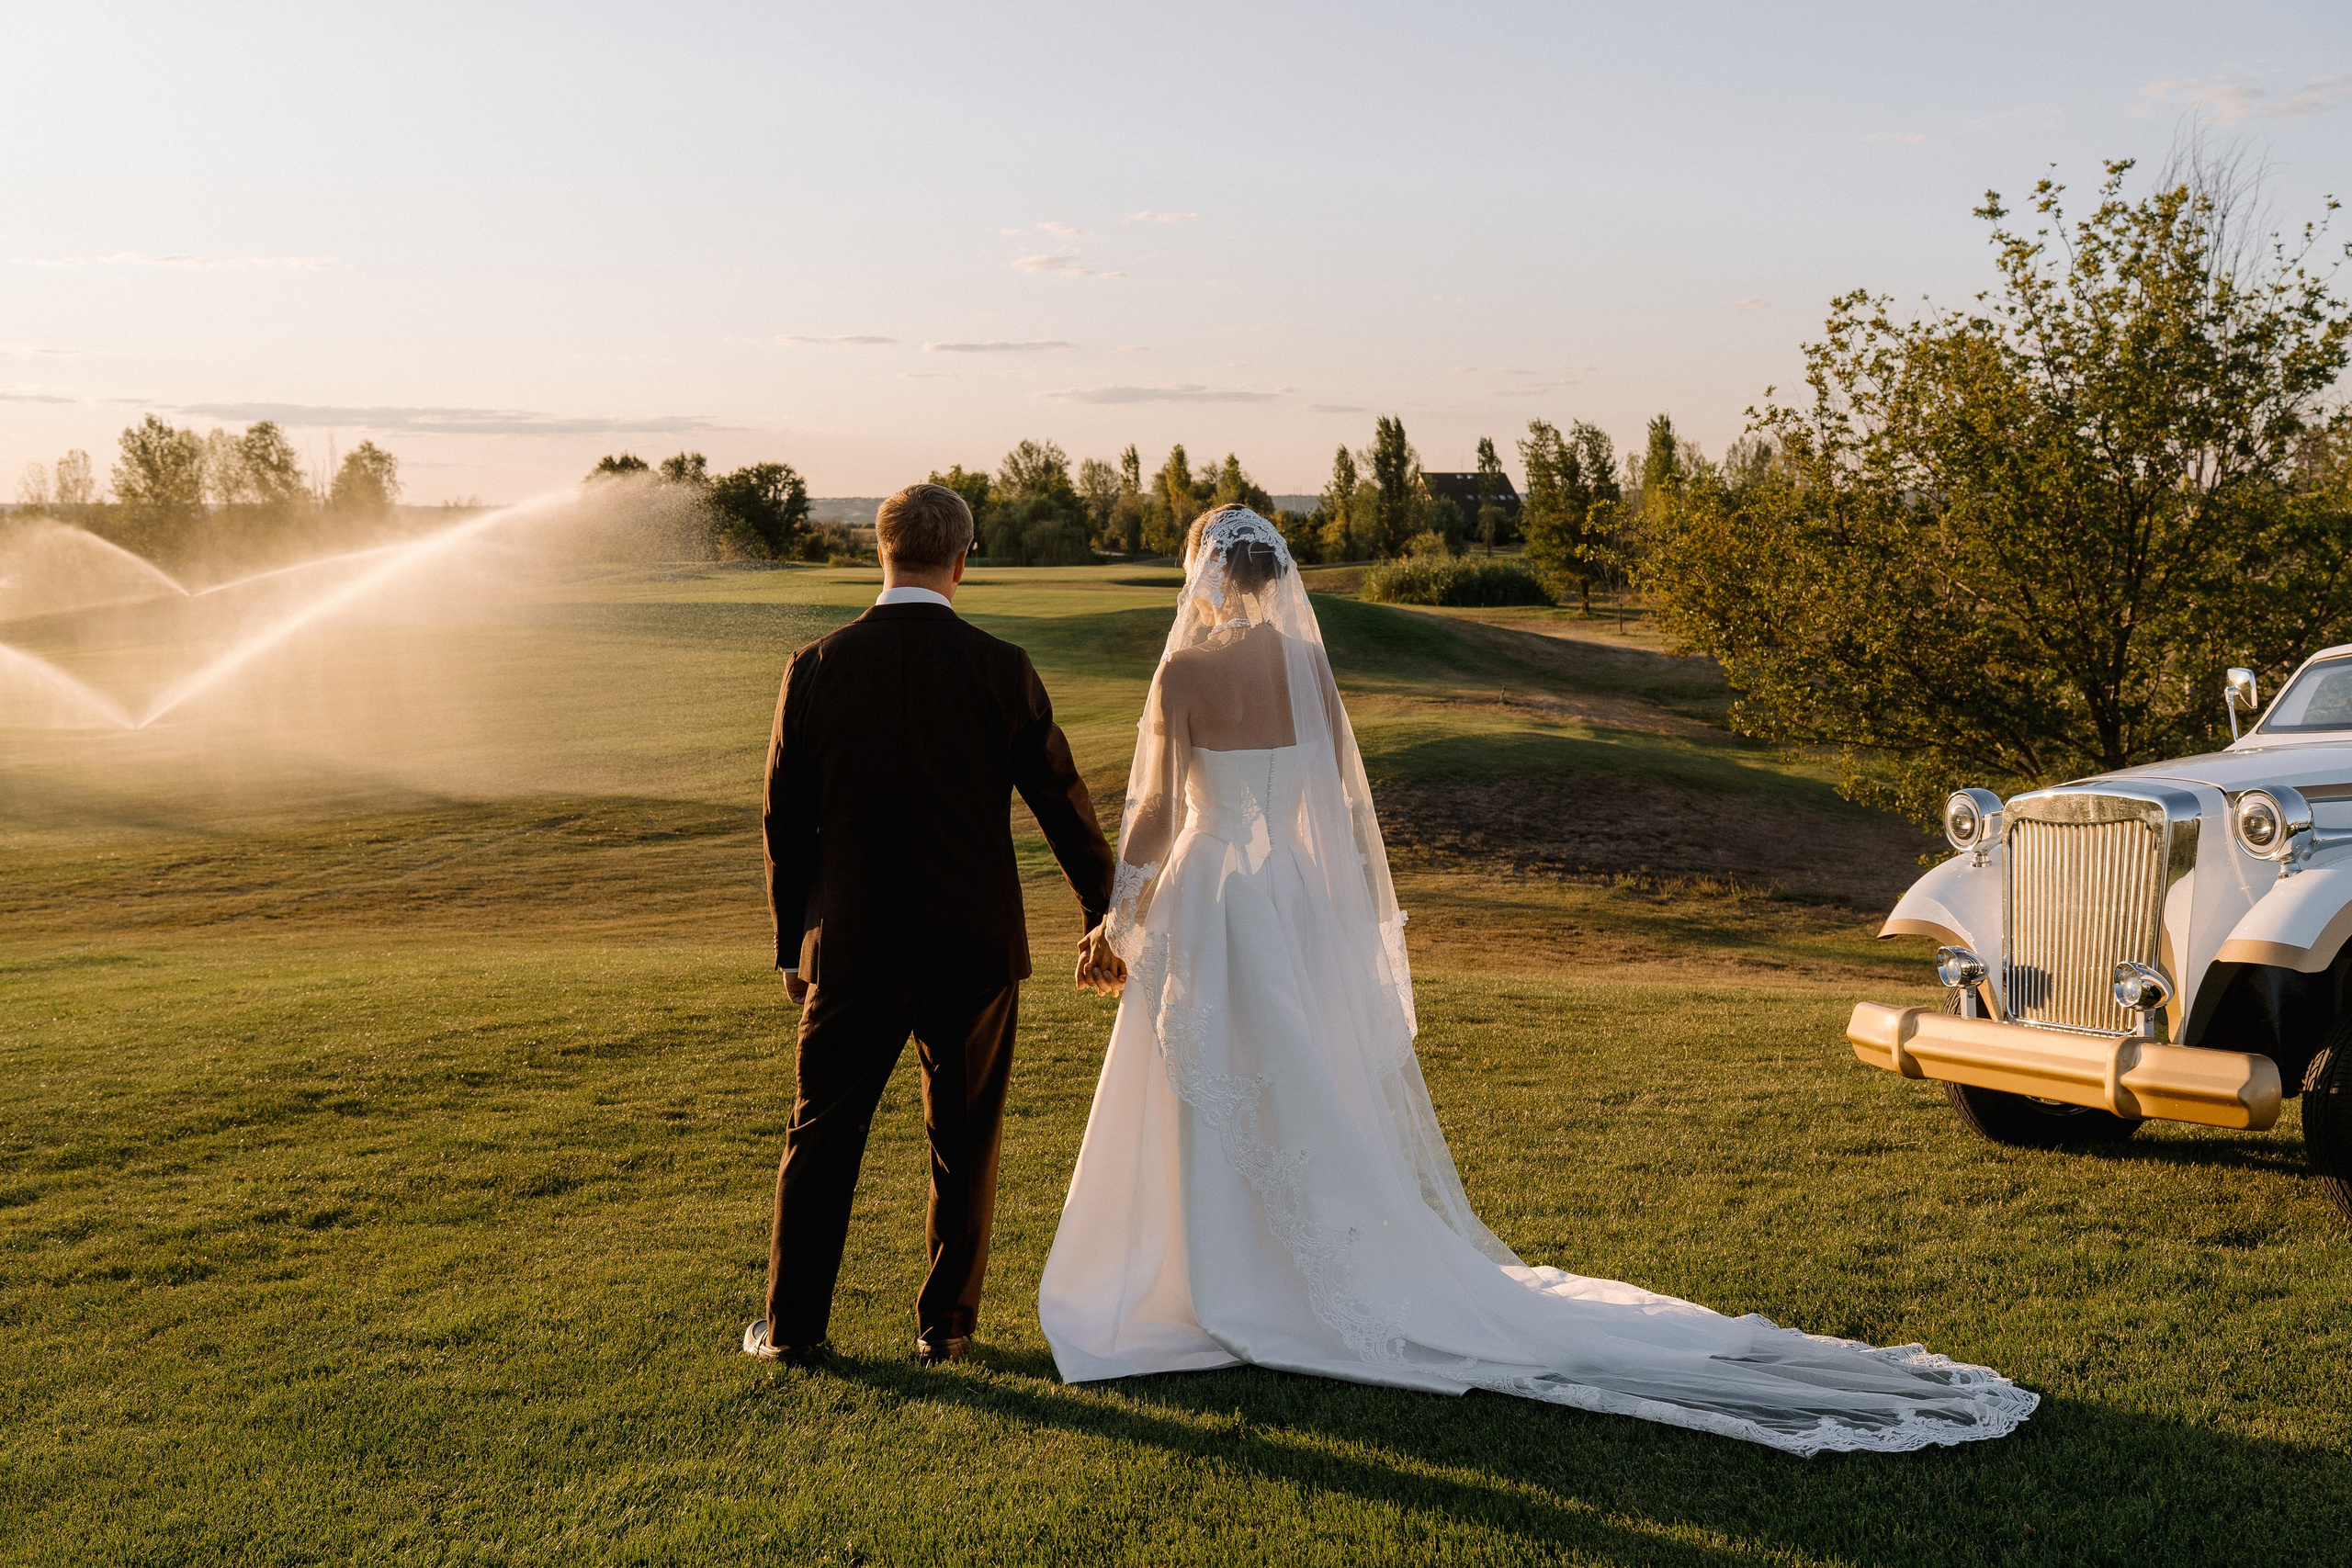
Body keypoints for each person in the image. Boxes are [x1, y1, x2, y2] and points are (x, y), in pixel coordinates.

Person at [1040, 506, 2037, 1455]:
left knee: (1219, 1083)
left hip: (1215, 895)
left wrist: (1118, 920)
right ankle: (1275, 1266)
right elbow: (1338, 810)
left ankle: (1221, 1280)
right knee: (1302, 1079)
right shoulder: (1306, 662)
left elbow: (1159, 814)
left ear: (1204, 573)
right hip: (1292, 899)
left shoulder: (1185, 674)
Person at [747, 482, 1116, 1368]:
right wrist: (1107, 910)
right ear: (963, 559)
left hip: (852, 942)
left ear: (881, 553)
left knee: (821, 1132)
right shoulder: (1001, 667)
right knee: (964, 1141)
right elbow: (1064, 805)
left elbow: (783, 821)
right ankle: (945, 1329)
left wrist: (789, 941)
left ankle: (794, 1330)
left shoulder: (816, 667)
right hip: (973, 944)